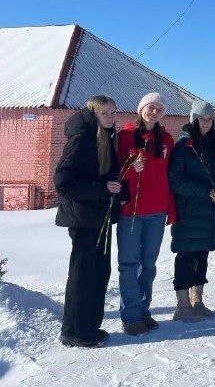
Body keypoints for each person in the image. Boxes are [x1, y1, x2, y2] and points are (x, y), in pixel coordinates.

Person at [54, 96, 124, 347]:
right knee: (83, 275)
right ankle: (73, 331)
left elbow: (105, 175)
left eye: (113, 113)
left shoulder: (105, 137)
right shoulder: (81, 140)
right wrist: (101, 188)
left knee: (99, 272)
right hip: (83, 219)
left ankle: (90, 326)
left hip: (101, 217)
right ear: (93, 113)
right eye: (105, 113)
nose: (110, 118)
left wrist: (116, 188)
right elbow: (63, 183)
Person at [168, 101, 215, 322]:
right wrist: (205, 192)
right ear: (194, 119)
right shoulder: (183, 146)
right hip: (189, 212)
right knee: (186, 256)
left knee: (202, 256)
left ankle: (197, 300)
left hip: (211, 214)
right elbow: (176, 180)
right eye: (202, 119)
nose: (206, 123)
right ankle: (182, 305)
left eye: (210, 119)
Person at [116, 93, 175, 336]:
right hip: (132, 211)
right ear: (141, 109)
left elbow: (168, 175)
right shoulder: (125, 137)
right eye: (151, 107)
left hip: (157, 210)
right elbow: (115, 172)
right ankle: (130, 315)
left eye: (160, 109)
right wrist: (131, 169)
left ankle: (143, 310)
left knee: (149, 265)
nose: (155, 112)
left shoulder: (167, 139)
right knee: (129, 264)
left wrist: (170, 207)